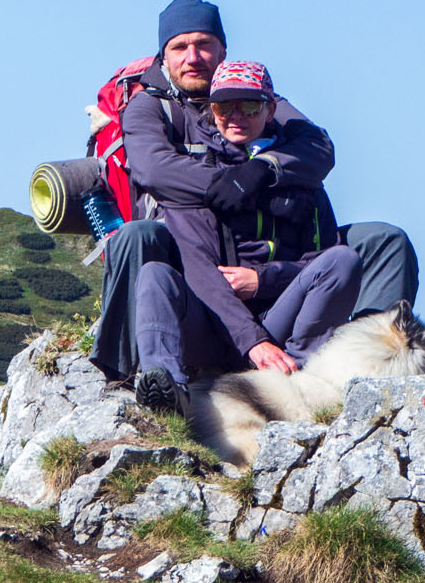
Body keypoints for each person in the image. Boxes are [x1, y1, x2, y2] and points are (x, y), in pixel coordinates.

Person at [85, 0, 417, 383]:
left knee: (383, 241)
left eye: (204, 44)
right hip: (185, 245)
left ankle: (373, 358)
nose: (193, 56)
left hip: (271, 250)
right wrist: (226, 182)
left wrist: (263, 170)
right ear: (163, 55)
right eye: (179, 47)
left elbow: (318, 148)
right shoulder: (150, 107)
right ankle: (128, 365)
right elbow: (154, 169)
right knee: (139, 237)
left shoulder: (258, 93)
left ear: (223, 50)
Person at [130, 60, 362, 413]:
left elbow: (323, 257)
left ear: (270, 110)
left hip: (277, 315)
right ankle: (168, 390)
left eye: (250, 105)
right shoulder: (195, 181)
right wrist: (252, 342)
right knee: (154, 275)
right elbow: (198, 270)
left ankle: (295, 375)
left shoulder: (303, 180)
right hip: (212, 321)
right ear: (211, 110)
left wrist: (263, 280)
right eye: (224, 106)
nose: (236, 115)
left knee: (343, 260)